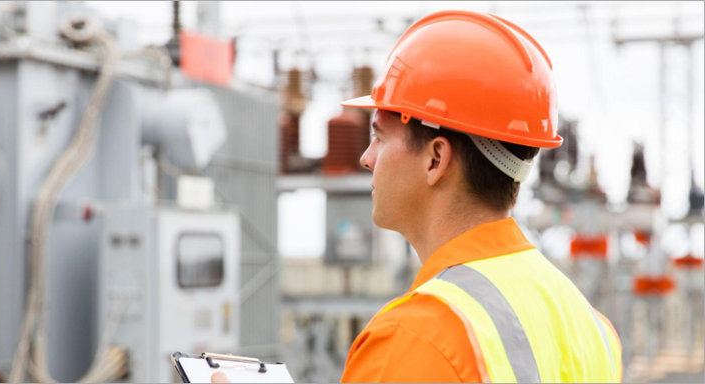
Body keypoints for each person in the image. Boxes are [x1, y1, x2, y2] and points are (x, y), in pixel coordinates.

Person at [214, 9, 622, 383]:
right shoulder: (590, 326)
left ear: (436, 159)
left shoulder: (415, 337)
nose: (366, 158)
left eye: (379, 137)